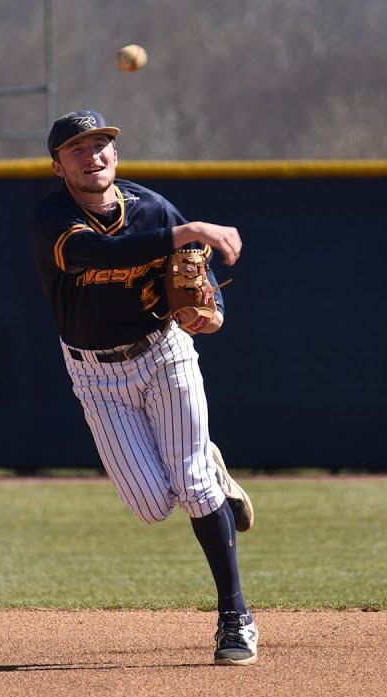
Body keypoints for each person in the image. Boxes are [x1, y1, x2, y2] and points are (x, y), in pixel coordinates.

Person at [29, 110, 258, 665]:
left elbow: (195, 270)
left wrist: (214, 312)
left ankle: (236, 618)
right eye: (79, 149)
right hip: (96, 374)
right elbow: (97, 254)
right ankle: (207, 458)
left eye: (102, 144)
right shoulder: (51, 219)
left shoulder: (152, 208)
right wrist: (191, 229)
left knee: (195, 486)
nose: (94, 155)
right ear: (58, 166)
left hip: (163, 354)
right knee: (152, 504)